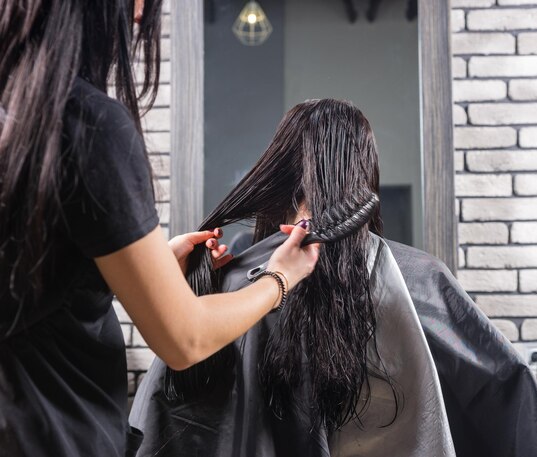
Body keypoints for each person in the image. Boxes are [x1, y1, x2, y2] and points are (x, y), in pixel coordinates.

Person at [131, 99, 537, 457]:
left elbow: (163, 421)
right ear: (363, 176)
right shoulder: (420, 280)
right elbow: (505, 394)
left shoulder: (229, 283)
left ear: (278, 173)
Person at [0, 2, 319, 456]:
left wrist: (146, 268)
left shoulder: (17, 114)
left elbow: (31, 292)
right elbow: (184, 340)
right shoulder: (87, 127)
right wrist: (279, 278)